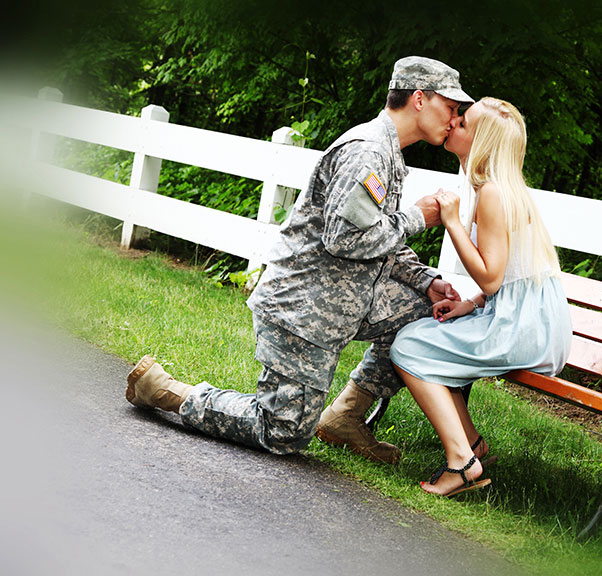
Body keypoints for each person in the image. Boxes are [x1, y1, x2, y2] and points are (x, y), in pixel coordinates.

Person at [125, 57, 474, 464]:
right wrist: (418, 216)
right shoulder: (366, 152)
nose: (456, 117)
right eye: (451, 106)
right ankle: (165, 390)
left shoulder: (388, 153)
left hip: (348, 300)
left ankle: (346, 416)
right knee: (284, 434)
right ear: (419, 99)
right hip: (303, 310)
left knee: (427, 310)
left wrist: (425, 280)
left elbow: (380, 235)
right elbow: (346, 239)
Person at [390, 97, 572, 496]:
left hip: (520, 328)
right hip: (529, 319)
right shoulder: (501, 189)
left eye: (464, 123)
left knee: (409, 346)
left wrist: (452, 222)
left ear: (482, 143)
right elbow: (508, 276)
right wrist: (468, 305)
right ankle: (472, 445)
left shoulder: (492, 194)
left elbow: (491, 279)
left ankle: (462, 462)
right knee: (427, 338)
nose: (453, 122)